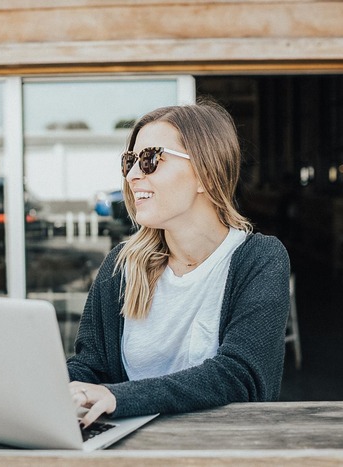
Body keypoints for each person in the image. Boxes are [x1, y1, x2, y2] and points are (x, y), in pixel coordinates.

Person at [67, 100, 290, 427]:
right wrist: (66, 388)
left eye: (150, 160)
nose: (131, 175)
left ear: (206, 175)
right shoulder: (122, 265)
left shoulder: (259, 260)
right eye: (129, 161)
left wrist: (121, 397)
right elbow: (90, 366)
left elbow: (242, 378)